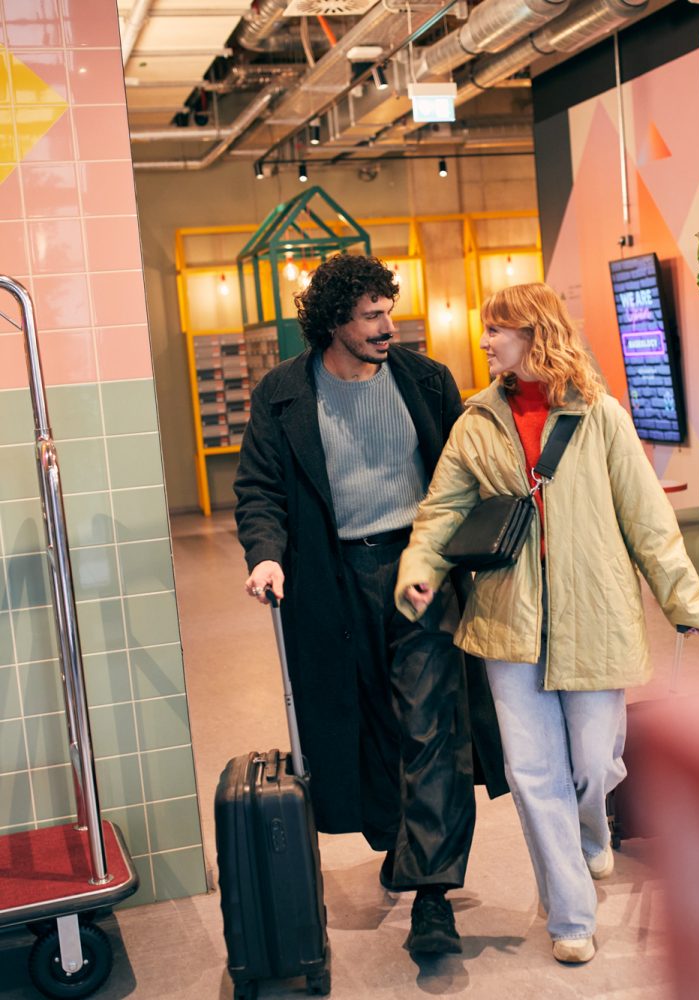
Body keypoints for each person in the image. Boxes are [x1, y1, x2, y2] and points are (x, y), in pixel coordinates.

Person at [394, 282, 699, 964]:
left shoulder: (600, 415)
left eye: (497, 329)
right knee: (531, 770)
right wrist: (417, 569)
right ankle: (571, 917)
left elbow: (648, 520)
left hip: (594, 615)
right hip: (507, 623)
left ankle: (593, 829)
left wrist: (686, 602)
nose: (484, 341)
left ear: (533, 333)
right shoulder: (476, 422)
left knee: (595, 761)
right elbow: (440, 512)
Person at [234, 253, 506, 956]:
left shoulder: (426, 381)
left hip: (420, 573)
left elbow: (462, 475)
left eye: (389, 311)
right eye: (371, 316)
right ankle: (401, 842)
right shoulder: (283, 395)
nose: (389, 325)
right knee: (369, 727)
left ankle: (433, 896)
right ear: (333, 324)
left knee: (432, 725)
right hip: (331, 581)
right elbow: (260, 488)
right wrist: (265, 553)